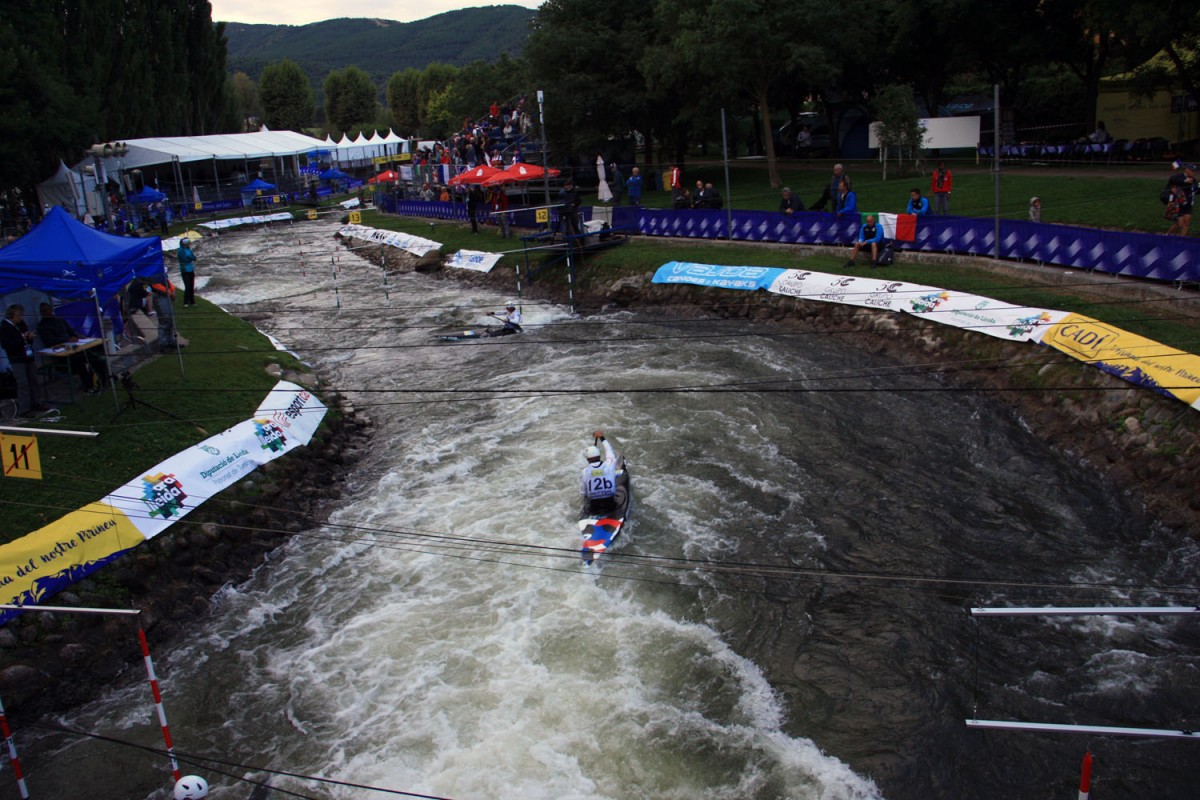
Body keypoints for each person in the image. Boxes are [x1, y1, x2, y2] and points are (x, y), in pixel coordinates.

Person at [36, 303, 106, 393]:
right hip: (62, 353)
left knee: (96, 357)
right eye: (44, 311)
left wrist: (80, 337)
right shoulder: (42, 326)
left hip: (75, 348)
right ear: (41, 313)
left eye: (47, 309)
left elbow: (71, 331)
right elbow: (49, 341)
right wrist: (67, 340)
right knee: (80, 363)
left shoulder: (60, 320)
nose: (46, 312)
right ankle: (89, 386)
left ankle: (103, 381)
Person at [1, 304, 46, 416]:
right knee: (23, 384)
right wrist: (22, 338)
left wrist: (29, 338)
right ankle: (24, 409)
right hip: (17, 359)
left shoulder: (21, 324)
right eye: (18, 315)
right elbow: (7, 345)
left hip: (28, 356)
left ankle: (37, 403)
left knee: (34, 380)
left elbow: (26, 339)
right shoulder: (4, 328)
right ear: (11, 315)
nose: (21, 317)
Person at [579, 430, 626, 515]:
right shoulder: (610, 465)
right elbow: (609, 450)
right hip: (610, 505)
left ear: (587, 459)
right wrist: (601, 437)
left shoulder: (584, 472)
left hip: (594, 507)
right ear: (599, 456)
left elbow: (583, 492)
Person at [1166, 162, 1196, 237]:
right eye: (1191, 170)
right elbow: (1172, 180)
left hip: (1188, 203)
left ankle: (1182, 239)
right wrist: (1184, 181)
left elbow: (1196, 189)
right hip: (1179, 204)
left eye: (1194, 171)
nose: (1193, 172)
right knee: (1180, 223)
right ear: (1186, 170)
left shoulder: (1193, 180)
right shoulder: (1179, 176)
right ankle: (1167, 235)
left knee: (1187, 222)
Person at [150, 279, 179, 351]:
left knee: (170, 320)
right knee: (164, 320)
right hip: (160, 296)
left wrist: (173, 289)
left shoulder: (160, 273)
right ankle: (163, 344)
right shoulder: (151, 275)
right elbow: (155, 284)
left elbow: (166, 280)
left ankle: (170, 341)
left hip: (166, 296)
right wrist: (169, 291)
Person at [177, 237, 197, 307]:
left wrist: (190, 257)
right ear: (185, 243)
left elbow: (194, 258)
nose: (190, 244)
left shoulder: (189, 250)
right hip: (185, 270)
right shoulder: (180, 250)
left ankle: (192, 301)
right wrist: (190, 257)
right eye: (188, 243)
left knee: (191, 286)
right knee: (187, 286)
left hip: (191, 269)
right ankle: (185, 302)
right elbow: (185, 259)